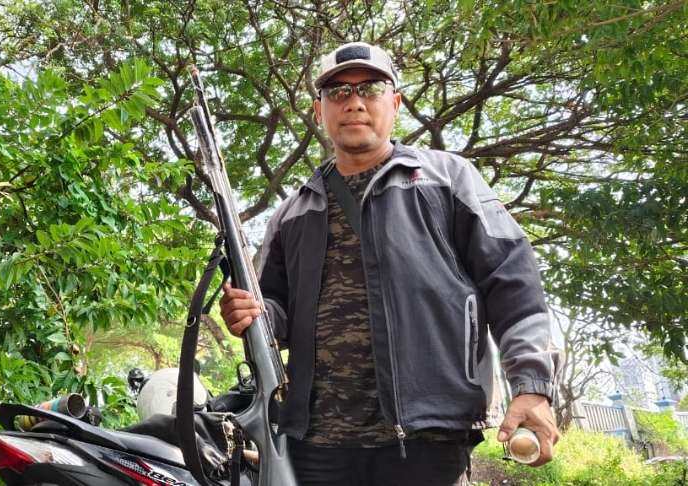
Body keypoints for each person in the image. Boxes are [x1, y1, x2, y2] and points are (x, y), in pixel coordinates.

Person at [219, 41, 560, 485]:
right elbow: (275, 315)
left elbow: (515, 286)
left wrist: (532, 385)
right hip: (316, 442)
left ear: (394, 102)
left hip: (428, 435)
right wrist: (248, 312)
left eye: (371, 88)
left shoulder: (448, 180)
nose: (354, 102)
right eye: (337, 92)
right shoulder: (294, 211)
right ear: (319, 110)